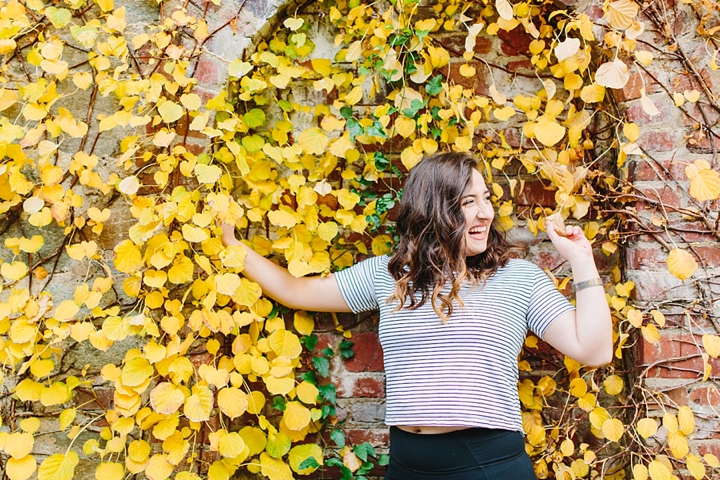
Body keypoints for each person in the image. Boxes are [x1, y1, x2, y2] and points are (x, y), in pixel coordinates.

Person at [221, 152, 612, 479]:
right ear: (435, 210)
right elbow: (295, 290)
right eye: (468, 202)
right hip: (409, 465)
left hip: (487, 464)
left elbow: (594, 351)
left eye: (486, 198)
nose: (485, 213)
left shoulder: (518, 277)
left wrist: (581, 260)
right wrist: (232, 246)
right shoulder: (389, 276)